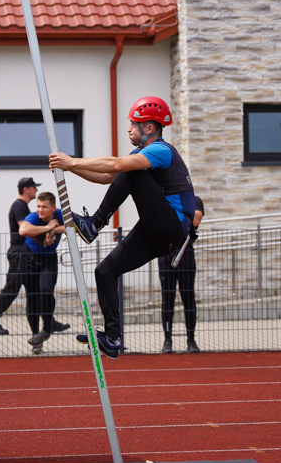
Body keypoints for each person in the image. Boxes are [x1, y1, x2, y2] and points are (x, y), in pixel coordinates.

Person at [49, 96, 195, 359]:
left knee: (130, 167)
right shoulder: (140, 157)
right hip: (158, 233)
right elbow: (107, 176)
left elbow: (117, 167)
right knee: (105, 270)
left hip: (173, 227)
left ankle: (94, 224)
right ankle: (113, 336)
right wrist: (69, 168)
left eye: (133, 124)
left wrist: (72, 161)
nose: (129, 128)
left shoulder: (162, 150)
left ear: (148, 128)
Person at [0, 177, 39, 336]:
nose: (36, 190)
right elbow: (25, 228)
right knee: (12, 288)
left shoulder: (22, 206)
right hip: (19, 253)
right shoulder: (20, 206)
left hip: (23, 252)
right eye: (34, 187)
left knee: (34, 291)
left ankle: (44, 327)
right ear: (26, 189)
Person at [19, 191, 69, 354]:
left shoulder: (61, 214)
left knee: (46, 291)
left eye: (44, 207)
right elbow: (23, 231)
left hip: (48, 260)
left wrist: (56, 229)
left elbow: (75, 226)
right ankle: (36, 337)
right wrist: (47, 228)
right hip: (29, 258)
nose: (40, 210)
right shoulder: (33, 217)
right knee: (32, 297)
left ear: (53, 208)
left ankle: (48, 326)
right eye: (38, 206)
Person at [158, 196, 204, 353]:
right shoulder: (164, 200)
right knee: (167, 297)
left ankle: (191, 339)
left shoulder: (194, 200)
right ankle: (167, 339)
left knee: (188, 297)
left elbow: (195, 220)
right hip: (166, 253)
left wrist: (175, 214)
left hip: (186, 253)